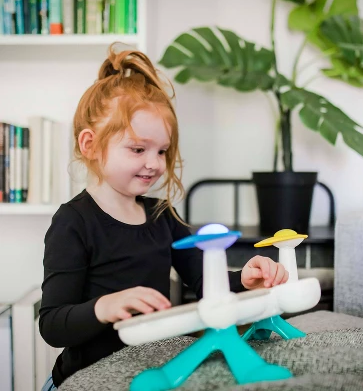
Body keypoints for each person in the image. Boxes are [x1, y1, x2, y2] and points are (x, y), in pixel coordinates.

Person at [39, 43, 289, 390]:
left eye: (162, 151)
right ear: (90, 145)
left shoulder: (162, 215)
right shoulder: (73, 222)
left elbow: (205, 282)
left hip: (151, 373)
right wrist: (104, 307)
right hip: (85, 379)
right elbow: (52, 325)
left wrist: (244, 280)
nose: (155, 163)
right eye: (138, 149)